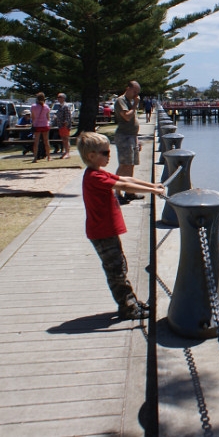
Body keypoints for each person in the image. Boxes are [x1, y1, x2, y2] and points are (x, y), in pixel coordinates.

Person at [77, 132, 164, 320]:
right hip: (102, 232)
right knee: (116, 271)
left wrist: (152, 185)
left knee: (120, 266)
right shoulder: (94, 177)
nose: (110, 156)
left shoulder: (98, 172)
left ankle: (131, 301)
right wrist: (152, 190)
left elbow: (126, 180)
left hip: (105, 230)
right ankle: (128, 308)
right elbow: (125, 187)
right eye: (106, 152)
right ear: (92, 156)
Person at [114, 80, 141, 204]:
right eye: (134, 91)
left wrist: (137, 138)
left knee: (131, 164)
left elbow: (133, 120)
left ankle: (129, 191)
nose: (136, 95)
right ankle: (117, 192)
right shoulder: (121, 101)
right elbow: (127, 116)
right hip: (124, 136)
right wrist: (135, 105)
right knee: (124, 164)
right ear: (128, 88)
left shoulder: (130, 101)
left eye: (137, 93)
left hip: (132, 136)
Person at [30, 92, 52, 162]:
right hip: (45, 125)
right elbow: (48, 118)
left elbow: (33, 117)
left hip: (37, 125)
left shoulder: (33, 106)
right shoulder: (46, 107)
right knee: (46, 141)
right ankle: (49, 157)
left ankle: (35, 157)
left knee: (36, 142)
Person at [56, 93, 73, 159]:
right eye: (58, 97)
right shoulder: (60, 106)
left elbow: (68, 116)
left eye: (60, 97)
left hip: (64, 126)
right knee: (63, 139)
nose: (58, 98)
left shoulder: (65, 106)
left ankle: (67, 153)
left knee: (66, 139)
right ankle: (65, 152)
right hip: (60, 125)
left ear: (63, 98)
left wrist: (66, 124)